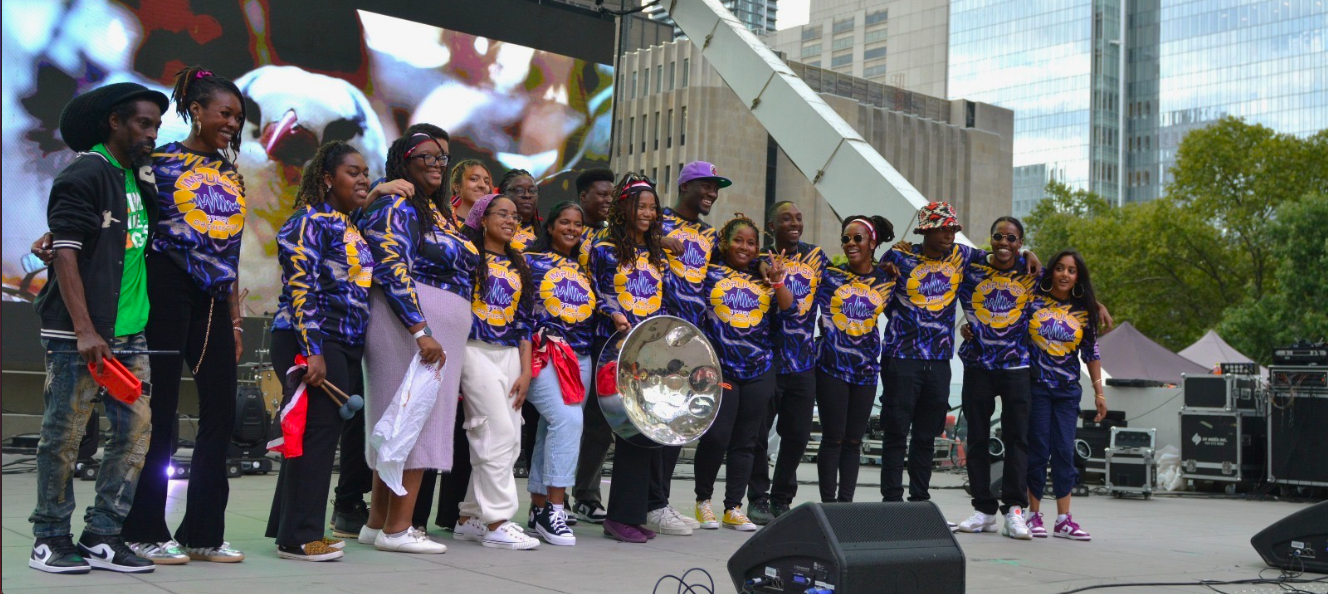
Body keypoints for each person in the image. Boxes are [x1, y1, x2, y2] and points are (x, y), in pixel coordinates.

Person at [29, 82, 166, 575]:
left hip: (130, 334)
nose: (152, 133)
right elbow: (64, 253)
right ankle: (49, 538)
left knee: (133, 437)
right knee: (64, 438)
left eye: (156, 125)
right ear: (115, 122)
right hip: (80, 335)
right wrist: (86, 330)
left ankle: (103, 534)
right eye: (143, 123)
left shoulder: (140, 178)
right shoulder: (85, 174)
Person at [115, 66, 247, 566]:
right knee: (162, 415)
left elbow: (230, 252)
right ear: (196, 110)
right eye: (225, 113)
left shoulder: (231, 174)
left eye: (238, 117)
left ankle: (204, 533)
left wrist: (235, 321)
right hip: (166, 289)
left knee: (220, 414)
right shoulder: (156, 161)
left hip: (214, 300)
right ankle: (145, 528)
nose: (233, 123)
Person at [359, 130, 470, 554]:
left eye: (443, 157)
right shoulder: (395, 202)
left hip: (434, 330)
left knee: (403, 421)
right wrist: (421, 331)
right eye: (428, 157)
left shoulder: (435, 211)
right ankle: (399, 529)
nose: (439, 164)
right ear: (403, 161)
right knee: (413, 421)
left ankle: (378, 523)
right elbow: (389, 265)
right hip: (409, 327)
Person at [266, 141, 375, 562]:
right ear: (328, 178)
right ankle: (302, 538)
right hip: (312, 338)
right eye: (353, 172)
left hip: (342, 342)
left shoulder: (350, 225)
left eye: (366, 172)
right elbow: (301, 288)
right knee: (318, 436)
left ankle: (288, 528)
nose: (363, 179)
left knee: (314, 436)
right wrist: (312, 349)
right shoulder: (308, 222)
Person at [877, 202, 991, 504]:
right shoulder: (899, 256)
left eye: (953, 229)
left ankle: (919, 500)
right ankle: (891, 500)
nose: (950, 235)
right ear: (926, 230)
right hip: (901, 357)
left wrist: (1028, 255)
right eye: (943, 229)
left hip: (940, 360)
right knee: (896, 433)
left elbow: (999, 260)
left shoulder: (961, 255)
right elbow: (878, 293)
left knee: (927, 435)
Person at [689, 215, 793, 532]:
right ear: (725, 243)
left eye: (751, 243)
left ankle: (733, 507)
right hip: (721, 367)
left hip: (760, 367)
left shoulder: (765, 277)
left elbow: (788, 307)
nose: (744, 247)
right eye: (738, 240)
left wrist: (777, 280)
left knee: (747, 441)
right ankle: (702, 501)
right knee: (718, 436)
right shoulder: (710, 272)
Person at [585, 173, 673, 543]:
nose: (648, 213)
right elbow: (595, 291)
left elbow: (661, 301)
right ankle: (617, 517)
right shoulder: (604, 248)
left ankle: (632, 515)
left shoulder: (656, 254)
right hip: (613, 349)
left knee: (644, 433)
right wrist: (615, 314)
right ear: (625, 207)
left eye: (653, 207)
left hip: (646, 353)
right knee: (627, 431)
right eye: (641, 205)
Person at [453, 194, 539, 550]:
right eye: (501, 214)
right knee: (495, 433)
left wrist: (526, 371)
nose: (510, 220)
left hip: (509, 356)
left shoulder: (519, 264)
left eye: (514, 216)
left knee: (511, 437)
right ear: (482, 218)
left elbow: (524, 323)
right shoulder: (468, 257)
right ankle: (499, 522)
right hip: (474, 350)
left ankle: (469, 517)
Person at [951, 217, 1037, 539]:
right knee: (976, 437)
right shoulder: (970, 269)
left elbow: (1064, 289)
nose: (1004, 243)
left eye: (1012, 238)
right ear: (990, 239)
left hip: (1016, 367)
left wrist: (1093, 303)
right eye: (998, 236)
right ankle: (984, 510)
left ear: (1020, 242)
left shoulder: (1031, 273)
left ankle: (1015, 511)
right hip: (978, 366)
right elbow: (941, 253)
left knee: (1017, 439)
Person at [746, 201, 828, 523]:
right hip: (768, 361)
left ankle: (782, 498)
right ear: (771, 227)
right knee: (758, 434)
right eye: (786, 219)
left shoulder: (816, 256)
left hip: (804, 362)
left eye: (798, 218)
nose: (794, 224)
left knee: (797, 434)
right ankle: (758, 498)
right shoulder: (760, 259)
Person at [522, 201, 596, 545]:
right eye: (564, 222)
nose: (571, 228)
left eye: (577, 224)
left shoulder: (584, 268)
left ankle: (537, 508)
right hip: (546, 354)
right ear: (549, 226)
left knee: (549, 430)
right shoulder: (529, 260)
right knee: (568, 421)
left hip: (580, 357)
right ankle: (555, 507)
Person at [660, 161, 728, 530]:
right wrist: (656, 239)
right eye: (705, 187)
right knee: (656, 419)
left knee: (675, 420)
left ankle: (663, 502)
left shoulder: (711, 235)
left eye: (715, 189)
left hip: (692, 340)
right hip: (658, 334)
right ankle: (650, 502)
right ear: (685, 185)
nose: (712, 194)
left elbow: (732, 265)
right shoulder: (659, 221)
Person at [812, 216, 897, 502]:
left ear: (873, 243)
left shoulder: (887, 279)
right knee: (833, 438)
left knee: (853, 441)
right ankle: (828, 504)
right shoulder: (829, 275)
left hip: (866, 371)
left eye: (857, 238)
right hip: (831, 367)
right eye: (845, 239)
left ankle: (845, 504)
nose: (850, 244)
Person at [1024, 251, 1107, 541]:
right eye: (1059, 268)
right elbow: (1022, 265)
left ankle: (1063, 519)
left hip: (1068, 390)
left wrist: (1100, 392)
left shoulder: (1085, 310)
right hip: (1037, 386)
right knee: (1038, 450)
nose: (1064, 274)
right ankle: (1033, 515)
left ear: (1077, 277)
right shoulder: (1033, 297)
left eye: (1071, 271)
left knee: (1063, 452)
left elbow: (1091, 353)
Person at [569, 167, 616, 524]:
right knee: (562, 420)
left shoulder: (610, 238)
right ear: (583, 196)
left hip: (601, 340)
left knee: (599, 424)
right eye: (601, 195)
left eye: (611, 196)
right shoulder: (567, 231)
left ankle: (586, 495)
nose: (607, 201)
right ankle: (550, 499)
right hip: (563, 340)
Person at [498, 168, 540, 250]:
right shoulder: (491, 232)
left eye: (532, 191)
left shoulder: (544, 238)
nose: (527, 195)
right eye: (519, 190)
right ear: (503, 194)